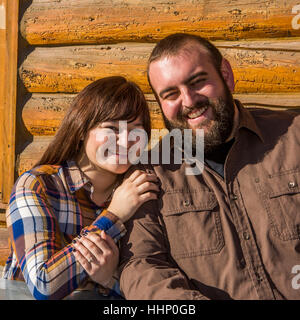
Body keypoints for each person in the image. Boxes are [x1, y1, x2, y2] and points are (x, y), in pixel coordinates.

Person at [119, 33, 300, 300]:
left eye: (198, 82)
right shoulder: (149, 174)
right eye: (171, 94)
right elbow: (140, 266)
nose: (190, 101)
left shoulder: (294, 136)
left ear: (226, 74)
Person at [2, 76, 159, 300]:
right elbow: (43, 285)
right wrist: (114, 215)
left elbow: (151, 281)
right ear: (82, 129)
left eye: (135, 130)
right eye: (112, 128)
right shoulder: (38, 185)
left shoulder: (140, 190)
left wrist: (108, 280)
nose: (126, 141)